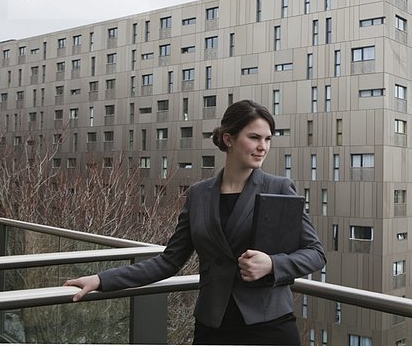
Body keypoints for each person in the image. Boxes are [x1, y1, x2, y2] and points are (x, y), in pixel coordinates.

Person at [64, 99, 326, 345]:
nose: (263, 147)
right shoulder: (199, 194)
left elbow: (315, 254)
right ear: (228, 139)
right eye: (254, 137)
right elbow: (169, 261)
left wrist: (272, 264)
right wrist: (101, 279)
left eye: (268, 139)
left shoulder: (278, 188)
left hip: (270, 325)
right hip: (213, 325)